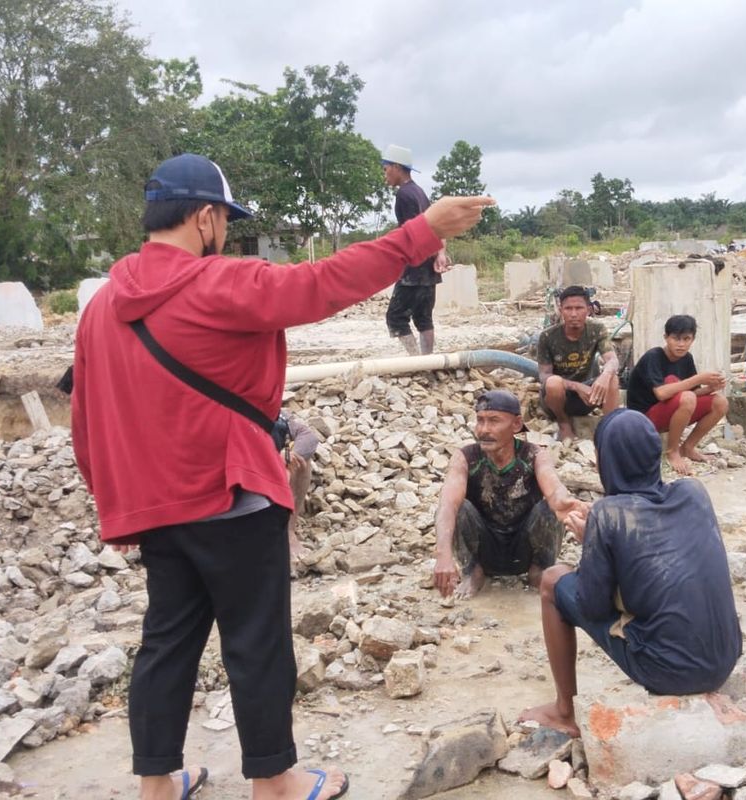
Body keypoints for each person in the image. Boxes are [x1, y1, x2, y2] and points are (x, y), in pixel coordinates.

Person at [71, 152, 492, 800]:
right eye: (223, 222)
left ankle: (158, 784)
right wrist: (423, 231)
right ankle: (275, 781)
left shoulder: (101, 307)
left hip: (157, 508)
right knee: (257, 643)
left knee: (164, 645)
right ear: (205, 217)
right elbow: (321, 285)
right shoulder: (215, 283)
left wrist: (114, 505)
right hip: (233, 497)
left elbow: (87, 415)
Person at [519, 408, 742, 737]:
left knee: (553, 580)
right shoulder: (694, 492)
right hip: (724, 659)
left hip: (668, 672)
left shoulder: (609, 516)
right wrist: (606, 533)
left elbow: (593, 606)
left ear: (606, 460)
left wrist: (593, 543)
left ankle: (564, 711)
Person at [432, 390, 582, 600]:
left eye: (494, 421)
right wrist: (443, 555)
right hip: (485, 548)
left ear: (516, 424)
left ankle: (540, 571)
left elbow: (554, 488)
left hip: (524, 549)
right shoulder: (466, 457)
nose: (484, 430)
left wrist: (568, 504)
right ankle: (472, 571)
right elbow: (448, 503)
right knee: (456, 507)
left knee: (549, 506)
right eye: (480, 421)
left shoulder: (534, 454)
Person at [626, 314, 727, 474]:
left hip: (669, 411)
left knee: (720, 402)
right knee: (686, 397)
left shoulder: (686, 359)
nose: (681, 344)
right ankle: (672, 451)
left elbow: (693, 392)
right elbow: (661, 393)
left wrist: (710, 388)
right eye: (676, 338)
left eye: (686, 339)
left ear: (693, 339)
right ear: (666, 337)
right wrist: (698, 378)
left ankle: (687, 447)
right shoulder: (653, 357)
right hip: (643, 418)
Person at [382, 144, 449, 356]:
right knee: (424, 318)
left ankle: (415, 360)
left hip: (414, 269)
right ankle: (427, 361)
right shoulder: (420, 192)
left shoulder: (404, 195)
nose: (385, 175)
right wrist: (440, 253)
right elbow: (437, 226)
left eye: (386, 169)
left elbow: (412, 233)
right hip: (428, 269)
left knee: (395, 317)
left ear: (396, 167)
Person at [537, 285, 620, 441]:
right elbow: (544, 376)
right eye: (568, 308)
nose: (574, 314)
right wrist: (576, 386)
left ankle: (610, 429)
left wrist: (605, 375)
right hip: (556, 400)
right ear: (560, 310)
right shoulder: (548, 336)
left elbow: (612, 360)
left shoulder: (597, 329)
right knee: (553, 382)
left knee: (612, 378)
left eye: (579, 308)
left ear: (588, 309)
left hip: (587, 397)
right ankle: (563, 422)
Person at [281, 411, 320, 558]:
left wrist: (288, 461)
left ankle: (288, 531)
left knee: (299, 459)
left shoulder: (273, 411)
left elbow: (309, 437)